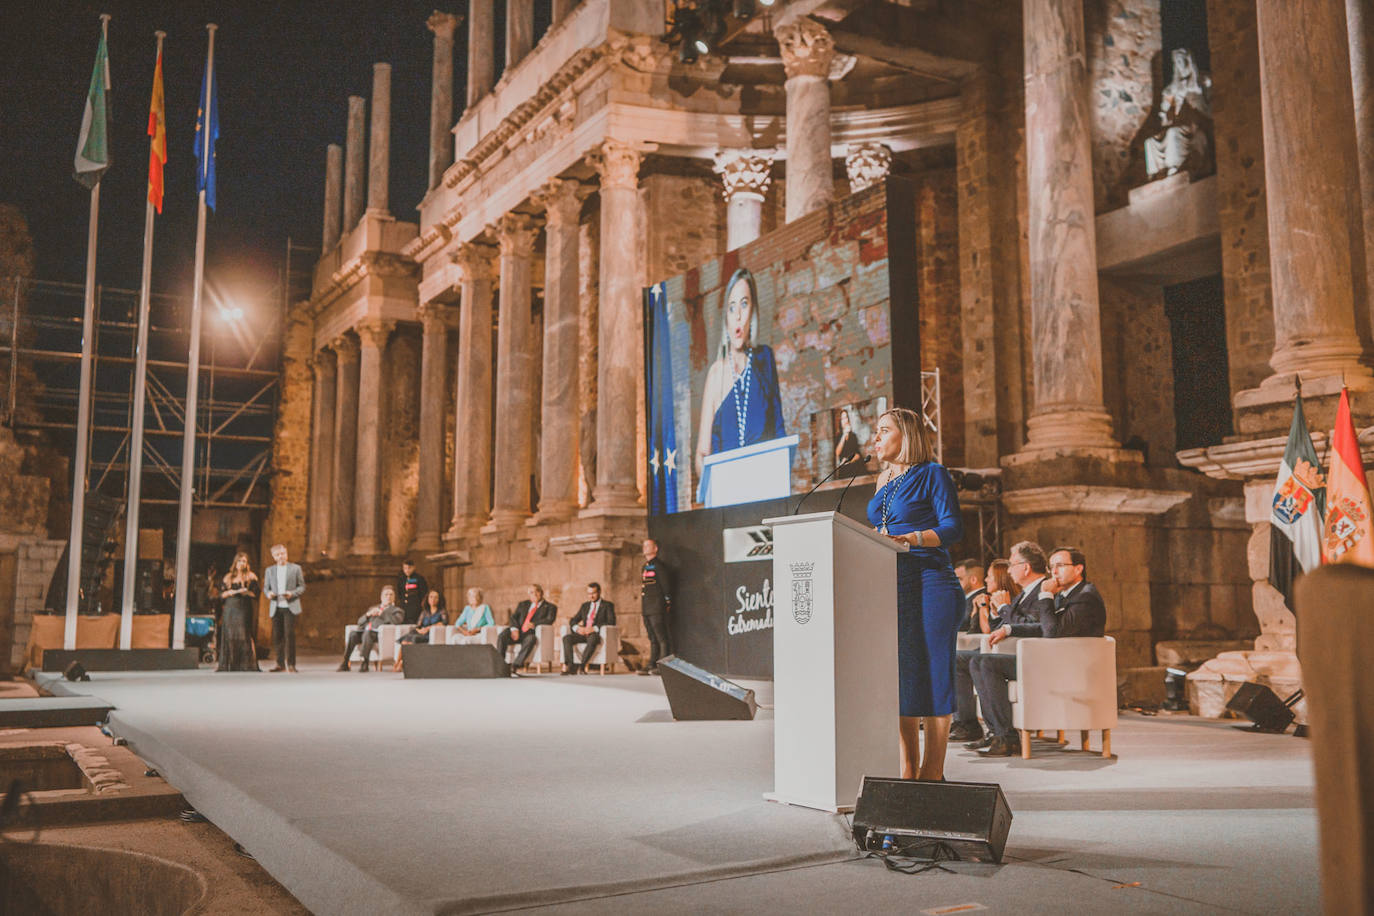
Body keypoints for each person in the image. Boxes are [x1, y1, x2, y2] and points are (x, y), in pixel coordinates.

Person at [865, 406, 964, 781]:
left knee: (935, 674)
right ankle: (908, 769)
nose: (875, 438)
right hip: (891, 584)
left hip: (931, 581)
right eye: (876, 431)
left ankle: (933, 770)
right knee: (902, 678)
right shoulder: (882, 481)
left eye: (883, 430)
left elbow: (952, 527)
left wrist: (912, 538)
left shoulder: (932, 474)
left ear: (905, 436)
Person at [970, 546, 1107, 757]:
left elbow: (1051, 631)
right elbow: (1045, 626)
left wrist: (1045, 595)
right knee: (978, 661)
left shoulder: (1085, 596)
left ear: (1079, 568)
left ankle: (1006, 737)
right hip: (1050, 660)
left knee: (988, 663)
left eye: (1060, 566)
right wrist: (1009, 628)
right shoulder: (1067, 594)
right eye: (1052, 567)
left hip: (1068, 667)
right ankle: (1000, 734)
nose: (1054, 572)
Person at [694, 268, 786, 480]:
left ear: (752, 311)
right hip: (725, 493)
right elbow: (702, 453)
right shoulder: (716, 373)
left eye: (744, 305)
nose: (737, 316)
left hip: (763, 486)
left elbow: (779, 431)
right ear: (725, 316)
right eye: (731, 307)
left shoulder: (764, 360)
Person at [951, 555, 1031, 745]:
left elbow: (993, 630)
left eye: (990, 577)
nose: (986, 581)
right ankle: (969, 724)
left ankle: (988, 729)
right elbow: (979, 630)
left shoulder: (1010, 600)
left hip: (1010, 650)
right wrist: (979, 612)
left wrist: (992, 610)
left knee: (974, 660)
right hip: (990, 646)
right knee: (955, 659)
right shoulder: (994, 599)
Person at [338, 586, 404, 672]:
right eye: (386, 594)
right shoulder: (373, 607)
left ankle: (365, 662)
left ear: (394, 597)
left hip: (379, 635)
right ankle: (345, 662)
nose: (388, 597)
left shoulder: (397, 610)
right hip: (365, 630)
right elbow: (359, 622)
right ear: (381, 597)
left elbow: (396, 621)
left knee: (368, 633)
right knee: (353, 634)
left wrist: (382, 614)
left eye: (391, 595)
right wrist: (368, 615)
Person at [263, 543, 305, 673]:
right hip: (276, 606)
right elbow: (266, 588)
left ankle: (291, 664)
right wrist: (268, 594)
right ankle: (279, 664)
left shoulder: (295, 568)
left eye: (283, 553)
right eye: (278, 554)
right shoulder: (269, 570)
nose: (281, 556)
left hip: (290, 606)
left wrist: (292, 593)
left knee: (289, 635)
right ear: (274, 557)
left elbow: (302, 587)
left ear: (286, 554)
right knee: (277, 636)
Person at [217, 552, 261, 672]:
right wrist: (230, 593)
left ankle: (246, 665)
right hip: (230, 607)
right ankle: (231, 664)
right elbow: (221, 595)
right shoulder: (228, 577)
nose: (242, 563)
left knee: (244, 633)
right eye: (239, 561)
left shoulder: (251, 576)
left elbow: (256, 594)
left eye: (244, 561)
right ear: (235, 563)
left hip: (244, 607)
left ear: (247, 564)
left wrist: (246, 592)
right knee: (230, 634)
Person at [497, 584, 556, 675]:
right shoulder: (523, 604)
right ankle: (500, 665)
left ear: (541, 593)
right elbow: (513, 617)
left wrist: (535, 624)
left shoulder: (550, 607)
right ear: (529, 594)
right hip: (518, 631)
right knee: (503, 635)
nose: (535, 594)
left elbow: (549, 620)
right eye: (532, 592)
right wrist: (514, 629)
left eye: (537, 591)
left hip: (530, 633)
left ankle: (515, 666)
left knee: (531, 639)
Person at [562, 582, 616, 675]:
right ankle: (571, 666)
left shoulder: (607, 605)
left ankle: (582, 666)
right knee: (567, 638)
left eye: (593, 593)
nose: (591, 596)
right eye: (589, 593)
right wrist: (577, 628)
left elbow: (611, 621)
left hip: (596, 634)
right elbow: (573, 620)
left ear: (599, 592)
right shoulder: (585, 606)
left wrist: (594, 628)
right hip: (583, 633)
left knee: (593, 638)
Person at [639, 538, 673, 675]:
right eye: (644, 545)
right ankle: (652, 663)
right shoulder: (645, 566)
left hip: (657, 607)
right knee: (652, 637)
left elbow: (666, 586)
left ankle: (663, 665)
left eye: (648, 545)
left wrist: (667, 601)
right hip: (646, 607)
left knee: (661, 637)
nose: (645, 548)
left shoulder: (659, 566)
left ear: (655, 548)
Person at [394, 589, 448, 671]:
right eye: (431, 597)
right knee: (405, 641)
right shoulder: (424, 612)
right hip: (421, 632)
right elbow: (418, 625)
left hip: (430, 634)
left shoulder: (442, 612)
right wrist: (420, 630)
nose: (433, 599)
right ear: (428, 599)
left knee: (413, 639)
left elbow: (444, 623)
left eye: (436, 597)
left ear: (439, 599)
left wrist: (428, 628)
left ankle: (402, 663)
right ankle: (398, 663)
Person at [395, 560, 429, 626]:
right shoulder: (401, 579)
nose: (407, 570)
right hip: (404, 606)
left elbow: (423, 592)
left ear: (413, 568)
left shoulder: (419, 578)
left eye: (409, 568)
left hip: (415, 606)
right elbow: (400, 592)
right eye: (405, 568)